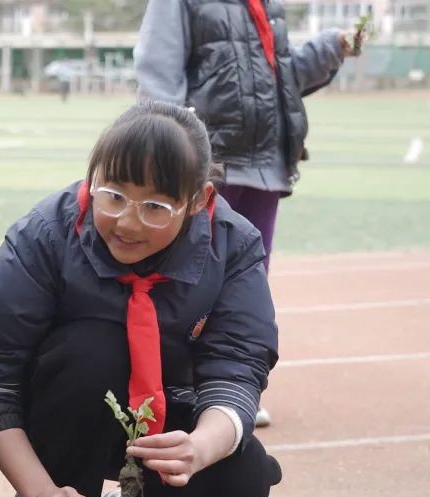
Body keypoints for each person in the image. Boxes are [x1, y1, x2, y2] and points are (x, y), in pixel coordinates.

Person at [0, 100, 283, 497]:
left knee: (244, 475)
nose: (128, 223)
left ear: (198, 200)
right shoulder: (46, 234)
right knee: (95, 348)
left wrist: (200, 446)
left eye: (155, 207)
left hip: (168, 418)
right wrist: (39, 492)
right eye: (112, 196)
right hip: (65, 412)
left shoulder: (233, 245)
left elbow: (237, 362)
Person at [134, 0, 360, 427]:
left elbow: (279, 79)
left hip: (265, 166)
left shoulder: (266, 4)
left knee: (246, 290)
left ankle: (231, 392)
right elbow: (158, 77)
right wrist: (172, 158)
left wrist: (331, 47)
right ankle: (174, 393)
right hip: (210, 163)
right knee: (187, 284)